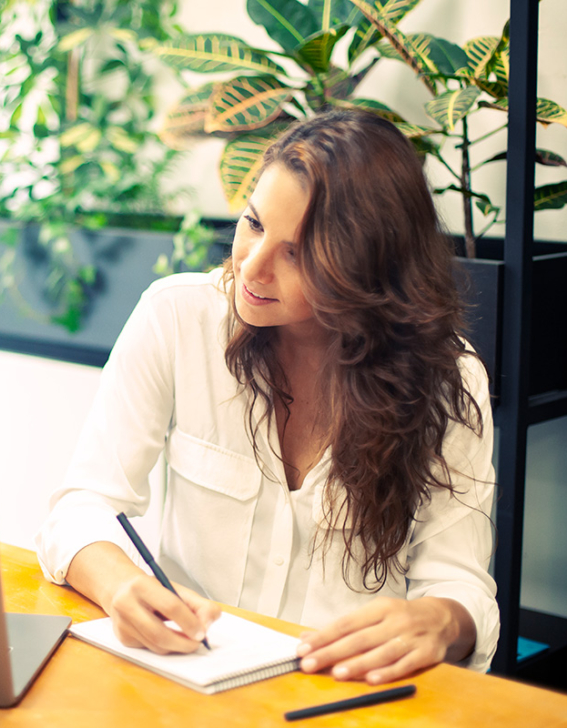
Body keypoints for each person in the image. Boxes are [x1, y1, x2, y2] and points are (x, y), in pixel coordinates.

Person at [34, 109, 499, 685]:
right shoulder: (179, 317)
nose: (250, 267)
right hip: (187, 679)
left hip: (346, 696)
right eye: (253, 224)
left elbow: (460, 584)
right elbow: (81, 508)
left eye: (297, 253)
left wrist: (438, 620)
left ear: (367, 270)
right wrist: (124, 584)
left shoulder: (447, 381)